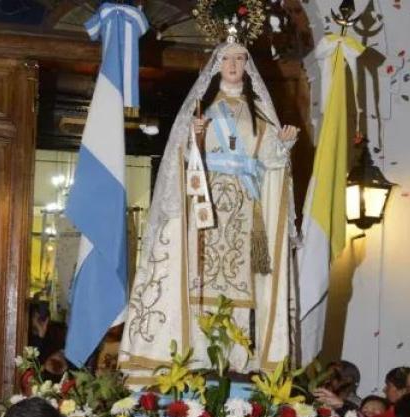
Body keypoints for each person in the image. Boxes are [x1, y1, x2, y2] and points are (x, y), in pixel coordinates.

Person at [119, 27, 299, 379]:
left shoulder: (259, 118)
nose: (232, 64)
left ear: (247, 65)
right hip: (207, 209)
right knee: (202, 280)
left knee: (241, 284)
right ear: (216, 65)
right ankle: (200, 358)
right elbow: (181, 163)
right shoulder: (201, 113)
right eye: (226, 58)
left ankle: (239, 360)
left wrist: (282, 146)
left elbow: (269, 160)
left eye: (239, 58)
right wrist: (196, 140)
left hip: (246, 213)